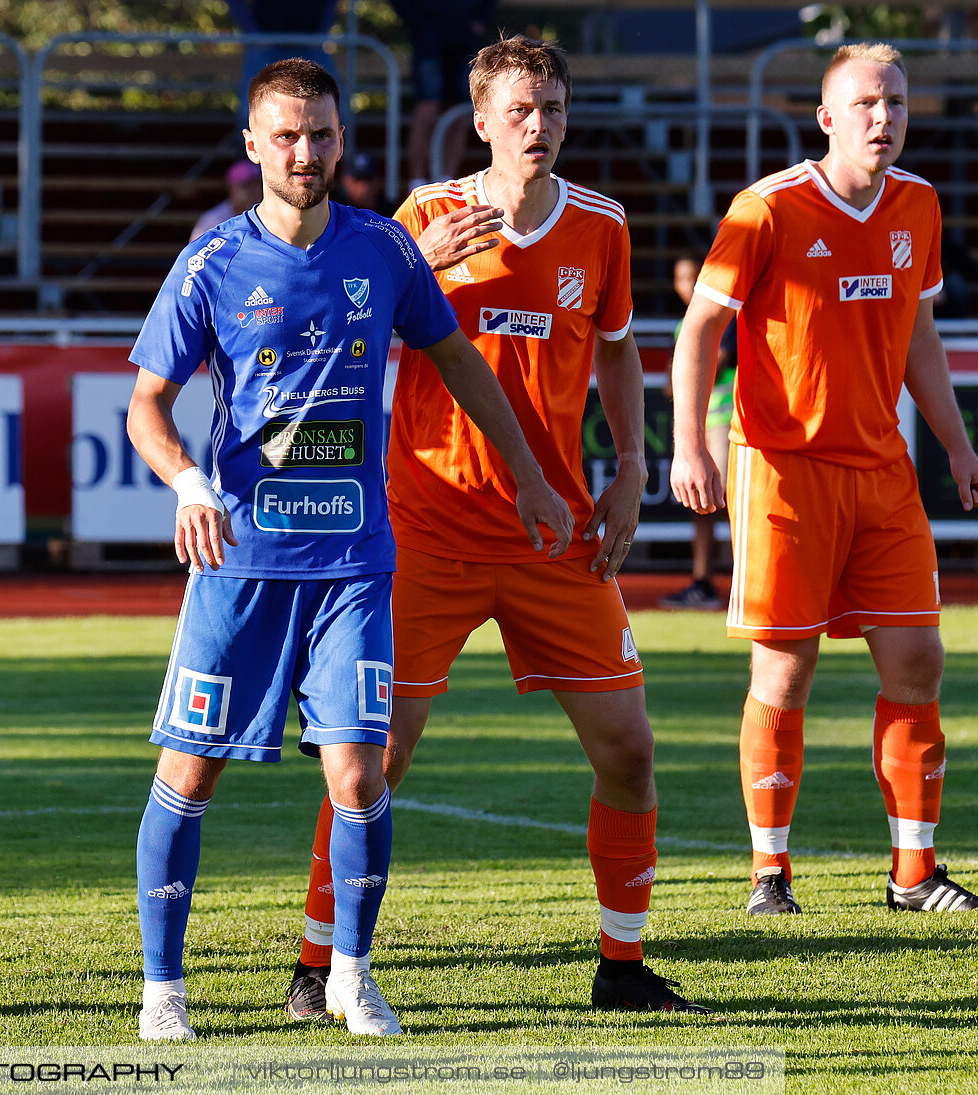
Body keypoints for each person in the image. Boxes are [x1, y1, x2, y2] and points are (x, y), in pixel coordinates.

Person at [128, 58, 571, 1041]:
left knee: (361, 777)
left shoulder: (387, 251)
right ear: (253, 145)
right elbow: (145, 407)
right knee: (190, 774)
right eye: (286, 134)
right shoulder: (210, 263)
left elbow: (457, 359)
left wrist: (531, 474)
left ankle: (351, 977)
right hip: (241, 566)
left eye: (321, 133)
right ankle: (163, 989)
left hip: (353, 567)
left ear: (341, 140)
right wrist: (190, 485)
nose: (305, 152)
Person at [286, 35, 711, 1019]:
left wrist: (633, 469)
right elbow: (331, 341)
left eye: (554, 108)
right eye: (520, 109)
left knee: (631, 752)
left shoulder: (602, 225)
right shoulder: (424, 217)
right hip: (426, 534)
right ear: (479, 120)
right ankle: (317, 965)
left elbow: (615, 352)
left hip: (555, 532)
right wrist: (406, 269)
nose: (540, 126)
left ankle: (623, 966)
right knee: (374, 759)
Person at [672, 43, 978, 917]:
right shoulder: (769, 207)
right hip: (785, 470)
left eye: (895, 102)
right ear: (827, 118)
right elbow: (701, 325)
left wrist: (959, 447)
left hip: (884, 474)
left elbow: (919, 338)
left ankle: (915, 874)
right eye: (864, 103)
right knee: (785, 673)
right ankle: (769, 875)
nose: (882, 118)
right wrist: (688, 446)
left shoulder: (920, 205)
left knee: (918, 661)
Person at [659, 254, 736, 611]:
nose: (686, 285)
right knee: (701, 505)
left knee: (732, 502)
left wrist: (681, 371)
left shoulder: (727, 314)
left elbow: (714, 359)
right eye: (680, 278)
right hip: (699, 428)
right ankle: (703, 582)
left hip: (726, 422)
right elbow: (670, 384)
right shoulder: (684, 325)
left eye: (692, 276)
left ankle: (748, 585)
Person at [390, 1, 497, 187]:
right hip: (429, 39)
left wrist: (480, 20)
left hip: (466, 41)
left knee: (460, 113)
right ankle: (417, 182)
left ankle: (447, 181)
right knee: (428, 108)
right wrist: (420, 24)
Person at [190, 160, 262, 241]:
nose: (255, 191)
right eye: (247, 186)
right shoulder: (214, 221)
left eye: (258, 184)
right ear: (232, 189)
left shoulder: (267, 215)